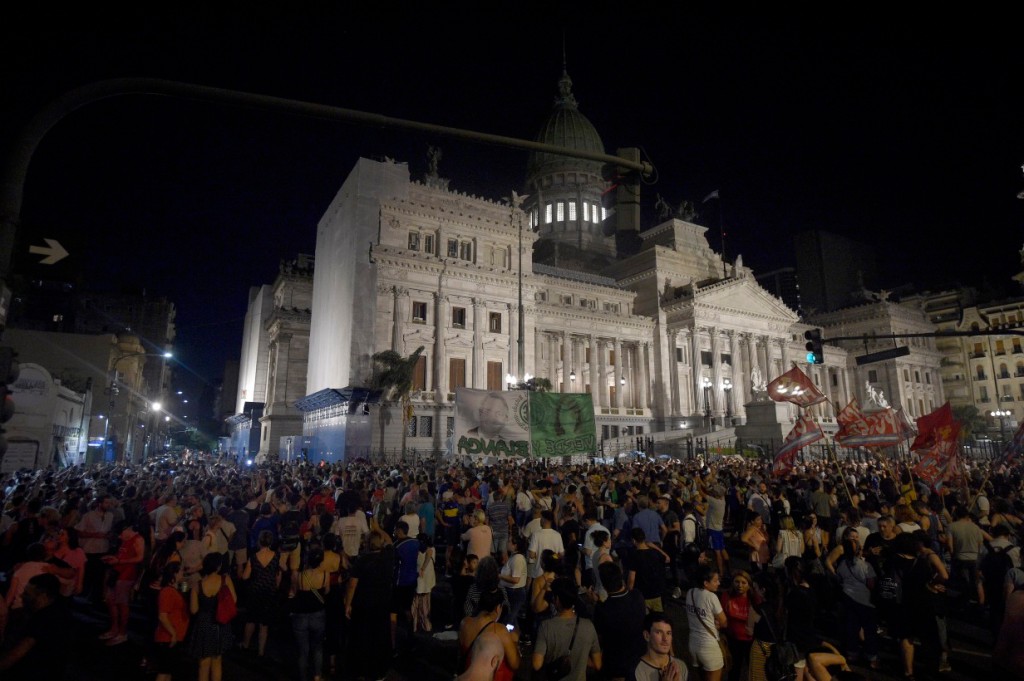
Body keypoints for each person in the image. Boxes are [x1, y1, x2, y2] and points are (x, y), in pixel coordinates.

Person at [345, 518, 394, 681]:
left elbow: (352, 584)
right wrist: (378, 528)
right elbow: (389, 540)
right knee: (380, 637)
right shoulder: (387, 557)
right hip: (382, 603)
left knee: (363, 637)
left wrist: (348, 603)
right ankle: (379, 670)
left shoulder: (362, 561)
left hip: (364, 603)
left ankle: (363, 669)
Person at [0, 573, 73, 681]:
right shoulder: (59, 608)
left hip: (36, 673)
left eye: (27, 594)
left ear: (42, 596)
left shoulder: (44, 619)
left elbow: (16, 654)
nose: (22, 596)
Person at [532, 577, 602, 681]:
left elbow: (536, 664)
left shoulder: (546, 626)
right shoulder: (588, 626)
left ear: (557, 600)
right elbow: (598, 664)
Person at [593, 561, 646, 681]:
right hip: (640, 658)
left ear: (604, 585)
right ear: (621, 576)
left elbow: (599, 637)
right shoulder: (637, 596)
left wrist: (597, 603)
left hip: (617, 665)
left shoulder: (602, 609)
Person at [188, 552, 237, 681]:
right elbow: (234, 600)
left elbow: (193, 610)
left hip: (203, 624)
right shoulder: (225, 580)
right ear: (218, 566)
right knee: (217, 662)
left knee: (203, 664)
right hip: (220, 623)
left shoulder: (197, 585)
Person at [834, 537, 879, 669]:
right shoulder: (865, 565)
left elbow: (840, 577)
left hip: (848, 599)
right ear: (860, 550)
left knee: (852, 627)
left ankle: (852, 653)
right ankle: (872, 657)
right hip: (865, 601)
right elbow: (871, 584)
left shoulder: (842, 564)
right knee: (870, 630)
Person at [100, 518, 146, 646]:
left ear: (127, 529)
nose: (120, 536)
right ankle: (114, 628)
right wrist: (114, 559)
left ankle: (122, 632)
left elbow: (140, 558)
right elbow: (123, 554)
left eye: (121, 533)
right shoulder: (125, 540)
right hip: (116, 573)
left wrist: (119, 561)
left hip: (126, 576)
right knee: (111, 601)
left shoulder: (138, 539)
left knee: (122, 604)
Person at [458, 587, 520, 681]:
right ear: (498, 608)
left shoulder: (465, 623)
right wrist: (515, 642)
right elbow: (515, 664)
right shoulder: (499, 630)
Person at [240, 529, 283, 656]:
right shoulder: (276, 556)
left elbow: (245, 577)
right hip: (269, 591)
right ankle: (261, 651)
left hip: (255, 590)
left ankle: (245, 644)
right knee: (264, 624)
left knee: (251, 619)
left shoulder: (253, 557)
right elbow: (278, 575)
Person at [289, 545, 328, 681]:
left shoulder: (299, 576)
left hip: (300, 615)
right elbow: (327, 591)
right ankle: (317, 676)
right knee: (317, 647)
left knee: (302, 650)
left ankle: (303, 677)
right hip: (317, 614)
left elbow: (293, 592)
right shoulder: (324, 574)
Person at [685, 566, 727, 681]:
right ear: (706, 583)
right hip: (709, 647)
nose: (718, 583)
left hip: (693, 645)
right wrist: (718, 623)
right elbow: (724, 622)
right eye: (715, 580)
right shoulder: (711, 597)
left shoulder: (690, 592)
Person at [153, 563, 190, 681]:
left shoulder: (173, 590)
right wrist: (173, 633)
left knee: (168, 670)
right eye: (180, 572)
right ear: (173, 574)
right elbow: (162, 616)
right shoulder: (168, 592)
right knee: (164, 671)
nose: (182, 574)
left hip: (173, 636)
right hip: (167, 637)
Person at [628, 611, 688, 681]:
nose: (665, 638)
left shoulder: (681, 666)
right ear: (647, 636)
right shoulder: (637, 671)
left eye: (668, 633)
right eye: (659, 632)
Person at [719, 571, 754, 681]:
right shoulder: (726, 596)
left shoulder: (754, 599)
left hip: (750, 641)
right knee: (734, 670)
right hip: (732, 639)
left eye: (744, 583)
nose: (740, 585)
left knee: (752, 670)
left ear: (749, 585)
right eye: (737, 582)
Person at [498, 533, 528, 628]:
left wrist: (500, 576)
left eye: (509, 541)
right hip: (511, 591)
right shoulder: (513, 557)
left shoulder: (517, 559)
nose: (507, 543)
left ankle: (510, 636)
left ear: (515, 545)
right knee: (512, 618)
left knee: (510, 619)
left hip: (515, 592)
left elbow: (515, 579)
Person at [413, 532, 437, 632]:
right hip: (428, 582)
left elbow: (428, 553)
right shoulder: (433, 549)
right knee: (426, 606)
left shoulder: (418, 552)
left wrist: (422, 568)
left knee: (415, 605)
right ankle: (426, 626)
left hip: (420, 582)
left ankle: (415, 626)